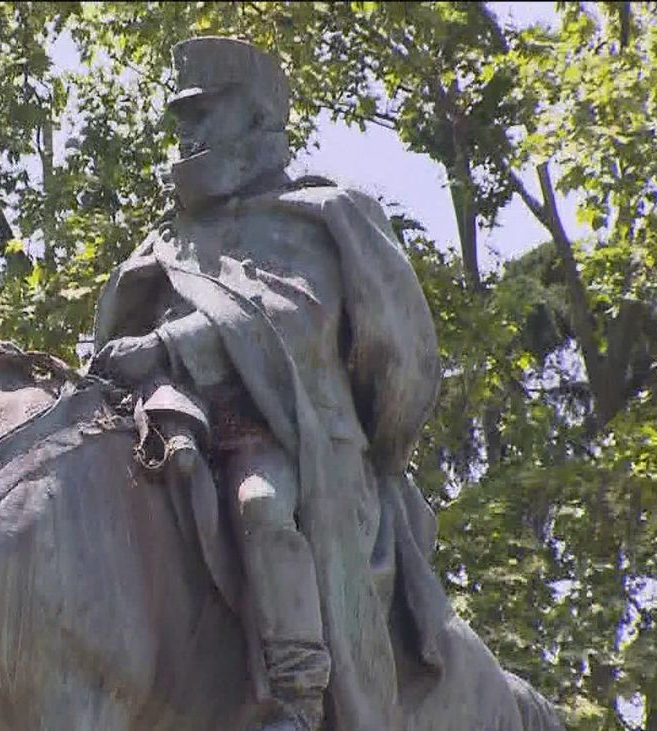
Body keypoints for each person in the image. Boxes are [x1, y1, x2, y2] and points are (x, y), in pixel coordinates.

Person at [89, 36, 448, 731]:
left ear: (255, 117)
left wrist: (165, 344)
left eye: (203, 114)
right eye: (182, 119)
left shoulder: (318, 216)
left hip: (280, 435)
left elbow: (293, 322)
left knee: (261, 505)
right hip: (167, 425)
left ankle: (297, 696)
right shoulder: (164, 244)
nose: (187, 134)